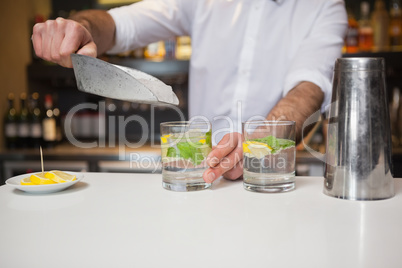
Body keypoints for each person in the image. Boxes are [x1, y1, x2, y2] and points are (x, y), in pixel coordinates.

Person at [31, 0, 348, 184]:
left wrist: (254, 146)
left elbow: (307, 88)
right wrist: (83, 27)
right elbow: (120, 25)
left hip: (267, 179)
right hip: (197, 177)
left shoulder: (325, 6)